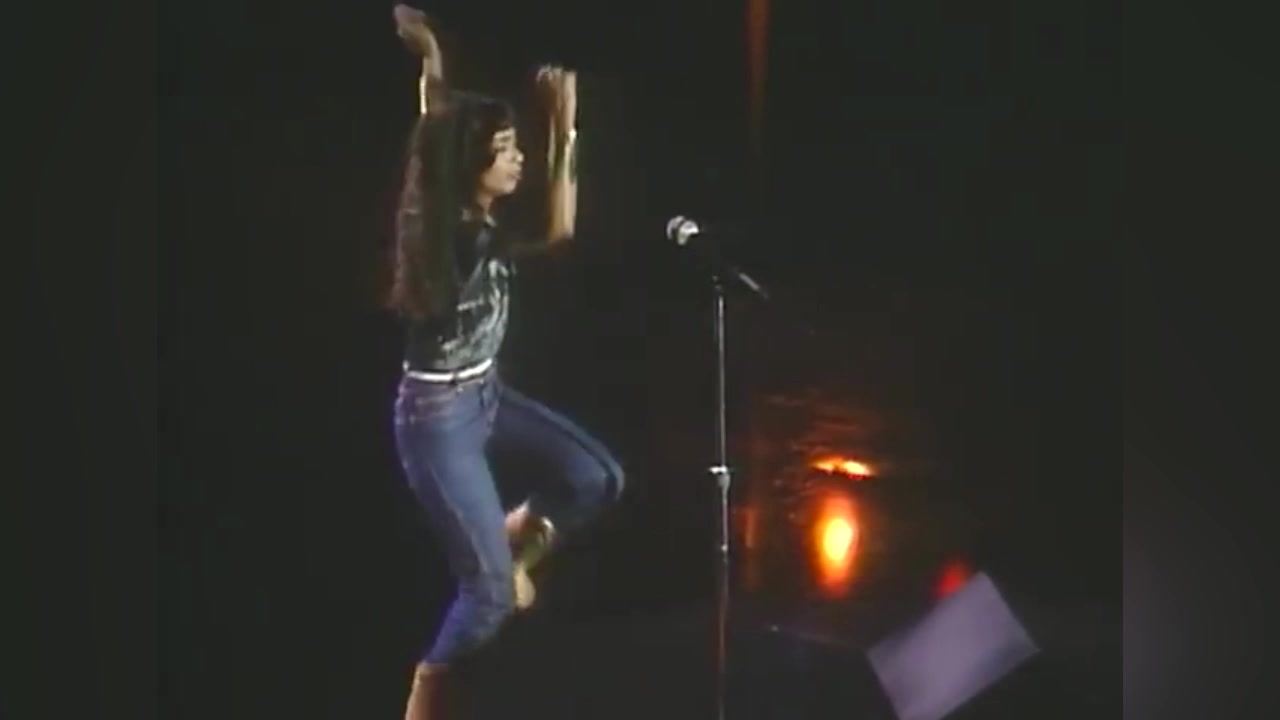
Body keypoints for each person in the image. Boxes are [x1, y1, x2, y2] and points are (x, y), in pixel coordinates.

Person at [387, 5, 625, 718]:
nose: (517, 158)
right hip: (437, 420)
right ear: (471, 166)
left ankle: (511, 543)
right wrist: (563, 122)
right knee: (488, 597)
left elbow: (439, 125)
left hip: (486, 394)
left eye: (518, 147)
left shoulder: (475, 217)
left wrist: (434, 59)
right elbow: (559, 226)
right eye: (505, 150)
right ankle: (423, 701)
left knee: (597, 478)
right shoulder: (453, 236)